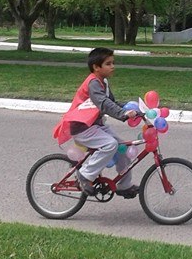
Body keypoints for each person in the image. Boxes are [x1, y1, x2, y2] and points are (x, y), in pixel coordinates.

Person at [53, 47, 139, 197]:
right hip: (82, 128)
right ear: (96, 67)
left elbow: (112, 102)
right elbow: (103, 103)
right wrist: (123, 114)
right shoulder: (93, 83)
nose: (113, 66)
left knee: (123, 148)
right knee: (110, 144)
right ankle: (85, 175)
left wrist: (134, 111)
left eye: (113, 63)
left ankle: (124, 185)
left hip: (95, 125)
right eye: (108, 63)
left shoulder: (103, 82)